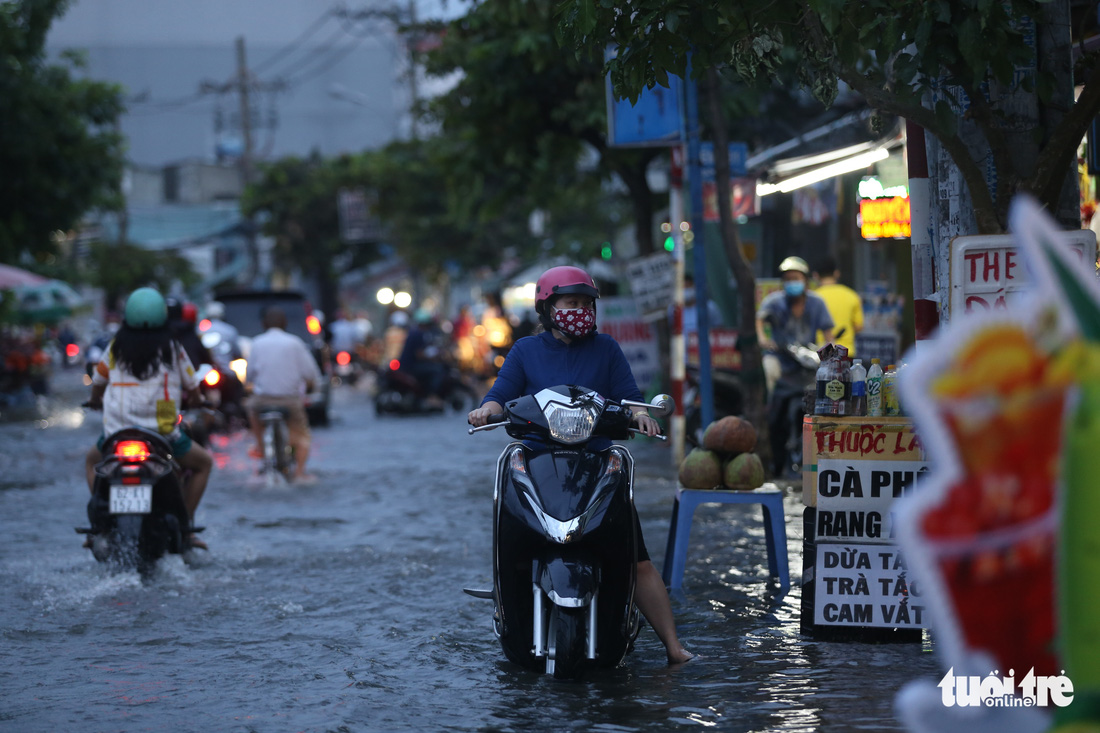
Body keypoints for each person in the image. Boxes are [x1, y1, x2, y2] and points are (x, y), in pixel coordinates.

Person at [468, 265, 694, 665]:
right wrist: (486, 410)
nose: (581, 311)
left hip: (596, 462)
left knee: (636, 558)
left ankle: (674, 648)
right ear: (548, 307)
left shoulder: (606, 348)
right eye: (572, 303)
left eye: (587, 303)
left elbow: (628, 396)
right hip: (538, 461)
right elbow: (500, 394)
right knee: (512, 536)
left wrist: (640, 415)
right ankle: (510, 609)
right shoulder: (525, 351)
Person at [84, 287, 213, 549]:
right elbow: (192, 385)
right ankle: (185, 528)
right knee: (204, 464)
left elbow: (98, 381)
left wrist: (96, 400)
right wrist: (199, 401)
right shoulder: (173, 348)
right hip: (163, 433)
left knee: (91, 462)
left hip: (116, 434)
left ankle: (100, 525)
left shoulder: (115, 347)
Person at [756, 256, 835, 477]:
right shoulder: (774, 301)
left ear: (806, 281)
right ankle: (766, 409)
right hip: (780, 359)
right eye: (787, 279)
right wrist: (763, 338)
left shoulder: (817, 303)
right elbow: (760, 320)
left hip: (806, 363)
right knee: (769, 376)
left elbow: (829, 337)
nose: (792, 282)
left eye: (796, 278)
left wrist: (827, 355)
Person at [245, 306, 322, 483]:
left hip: (261, 401)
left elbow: (249, 377)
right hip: (290, 401)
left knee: (250, 410)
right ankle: (300, 473)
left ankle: (260, 446)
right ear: (285, 323)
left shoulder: (256, 343)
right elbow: (311, 374)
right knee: (302, 436)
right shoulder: (295, 343)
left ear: (264, 324)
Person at [812, 256, 864, 356]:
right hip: (846, 353)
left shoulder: (813, 297)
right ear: (836, 273)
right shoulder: (852, 295)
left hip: (820, 353)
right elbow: (858, 326)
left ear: (816, 275)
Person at [399, 309, 446, 406]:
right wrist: (433, 358)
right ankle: (431, 395)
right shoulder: (418, 334)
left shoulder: (415, 333)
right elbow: (419, 354)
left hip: (408, 365)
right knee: (436, 370)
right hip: (411, 366)